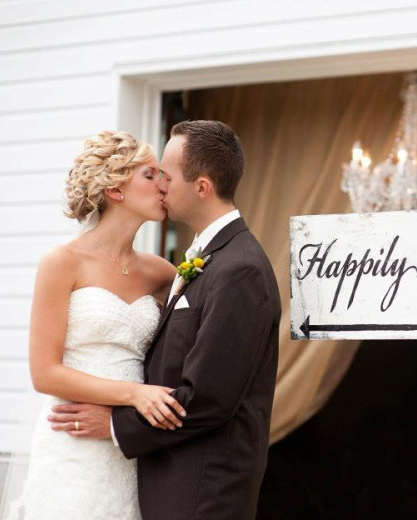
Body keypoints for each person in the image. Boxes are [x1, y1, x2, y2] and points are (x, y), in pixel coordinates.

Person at [48, 120, 282, 520]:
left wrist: (117, 425)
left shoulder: (239, 269)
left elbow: (209, 398)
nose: (160, 186)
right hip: (156, 475)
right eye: (153, 175)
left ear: (202, 187)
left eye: (167, 177)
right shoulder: (206, 260)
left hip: (203, 490)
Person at [2, 130, 185, 520]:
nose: (163, 185)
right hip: (74, 443)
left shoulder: (161, 272)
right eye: (150, 175)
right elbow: (45, 373)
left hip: (128, 444)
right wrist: (136, 395)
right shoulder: (62, 263)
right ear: (116, 190)